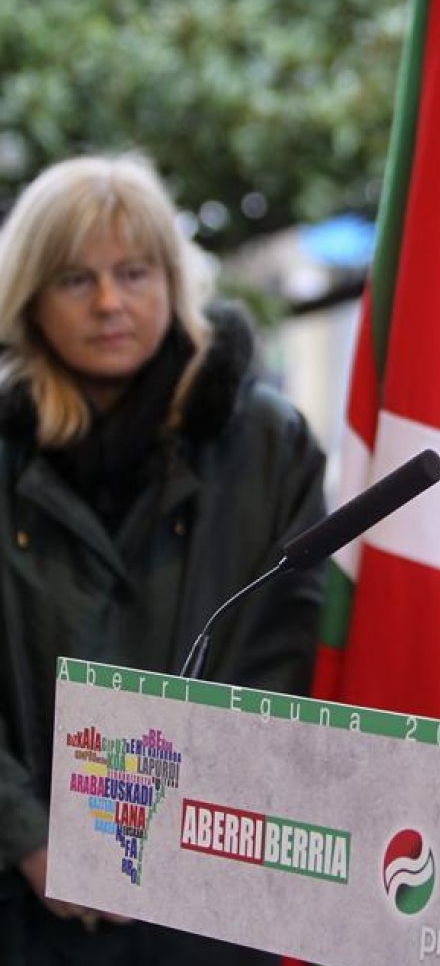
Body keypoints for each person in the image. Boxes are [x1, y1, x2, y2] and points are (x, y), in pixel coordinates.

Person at [0, 153, 328, 966]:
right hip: (22, 901)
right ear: (31, 299)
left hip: (208, 905)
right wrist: (29, 833)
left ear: (172, 282)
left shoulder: (267, 443)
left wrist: (152, 839)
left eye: (134, 272)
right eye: (77, 279)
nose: (111, 302)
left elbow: (278, 662)